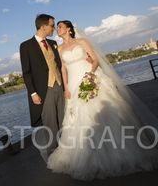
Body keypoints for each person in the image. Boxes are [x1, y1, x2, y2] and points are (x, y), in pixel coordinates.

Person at [47, 20, 158, 180]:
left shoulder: (82, 41)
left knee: (102, 111)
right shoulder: (60, 48)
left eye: (61, 26)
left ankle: (117, 152)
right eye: (57, 27)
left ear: (69, 29)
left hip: (89, 77)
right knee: (77, 118)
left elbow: (95, 59)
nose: (58, 29)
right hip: (73, 82)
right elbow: (63, 69)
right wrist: (66, 88)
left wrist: (91, 75)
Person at [19, 14, 65, 161]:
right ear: (43, 26)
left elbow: (60, 65)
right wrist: (33, 93)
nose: (54, 28)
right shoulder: (26, 46)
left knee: (64, 121)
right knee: (50, 125)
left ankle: (67, 153)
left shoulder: (53, 43)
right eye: (52, 25)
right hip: (44, 91)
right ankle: (54, 158)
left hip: (60, 86)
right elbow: (26, 73)